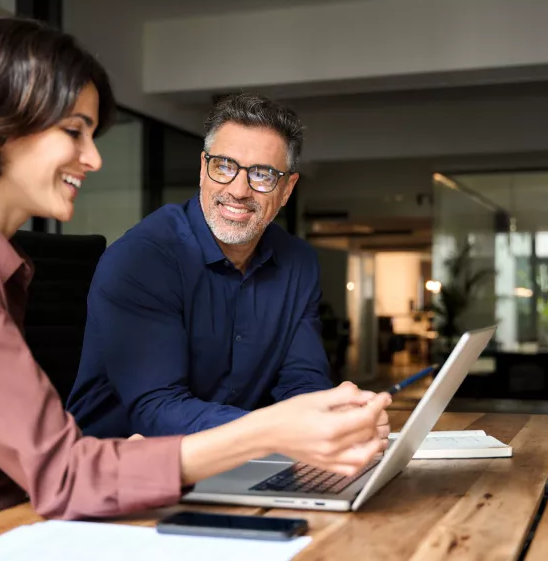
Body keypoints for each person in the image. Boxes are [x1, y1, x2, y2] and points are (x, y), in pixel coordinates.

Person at [0, 18, 391, 532]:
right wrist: (271, 431)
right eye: (74, 131)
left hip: (9, 516)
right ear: (0, 129)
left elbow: (46, 462)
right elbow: (63, 472)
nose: (94, 159)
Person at [67, 92, 390, 440]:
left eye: (263, 175)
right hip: (123, 466)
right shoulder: (142, 259)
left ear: (286, 189)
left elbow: (302, 381)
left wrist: (335, 417)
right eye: (224, 166)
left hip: (243, 459)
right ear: (203, 168)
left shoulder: (299, 263)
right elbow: (157, 412)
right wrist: (282, 430)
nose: (238, 190)